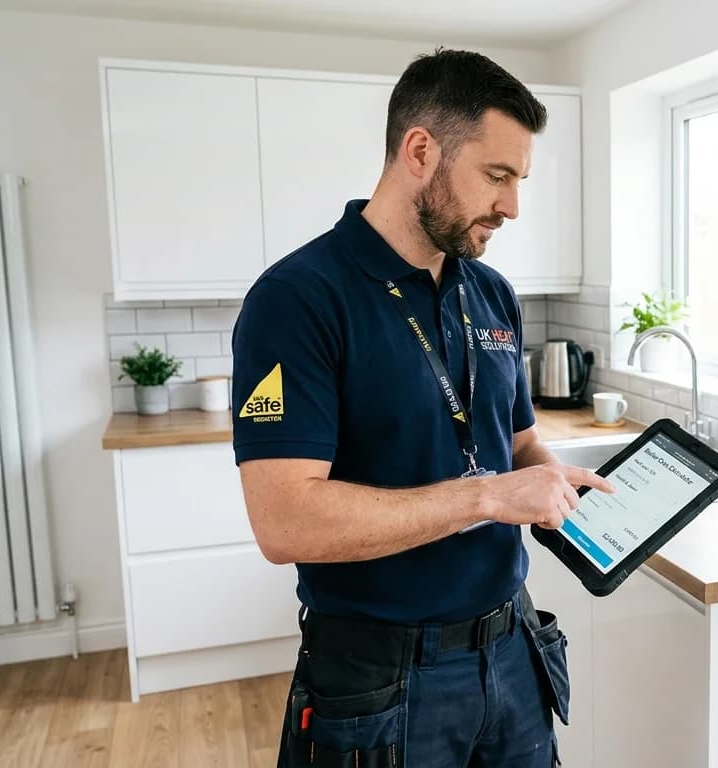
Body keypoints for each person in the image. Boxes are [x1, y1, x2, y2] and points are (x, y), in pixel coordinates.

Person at [231, 48, 614, 768]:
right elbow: (284, 521)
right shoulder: (298, 299)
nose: (512, 206)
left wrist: (557, 483)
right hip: (378, 681)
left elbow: (519, 441)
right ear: (420, 151)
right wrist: (488, 497)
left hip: (513, 652)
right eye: (496, 176)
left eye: (519, 180)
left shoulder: (492, 292)